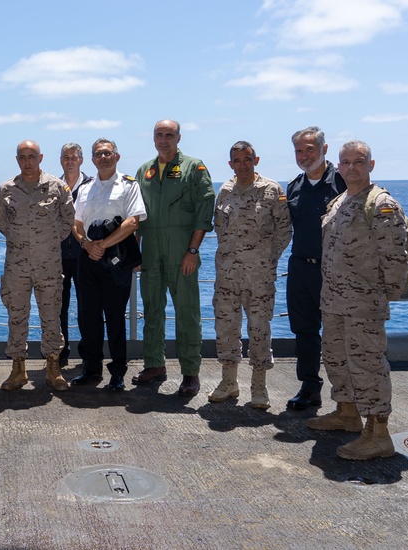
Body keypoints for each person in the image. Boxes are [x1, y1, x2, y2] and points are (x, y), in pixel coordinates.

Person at [308, 140, 408, 460]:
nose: (352, 167)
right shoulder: (339, 202)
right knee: (336, 359)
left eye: (359, 161)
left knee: (367, 365)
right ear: (338, 166)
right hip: (334, 300)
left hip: (363, 303)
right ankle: (347, 413)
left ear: (371, 165)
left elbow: (396, 258)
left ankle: (378, 433)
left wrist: (382, 296)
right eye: (346, 162)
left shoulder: (380, 204)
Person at [133, 119, 215, 397]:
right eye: (159, 134)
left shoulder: (194, 168)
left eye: (169, 135)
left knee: (187, 313)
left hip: (182, 253)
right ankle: (154, 364)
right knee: (152, 310)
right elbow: (137, 216)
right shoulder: (145, 171)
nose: (164, 140)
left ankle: (190, 373)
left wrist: (192, 251)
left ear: (178, 137)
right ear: (153, 137)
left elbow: (204, 211)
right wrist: (137, 252)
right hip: (152, 253)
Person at [208, 141, 292, 408]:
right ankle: (229, 382)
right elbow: (220, 229)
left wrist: (268, 259)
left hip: (259, 276)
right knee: (226, 328)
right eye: (237, 160)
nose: (242, 165)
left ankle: (259, 387)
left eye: (247, 159)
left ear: (256, 160)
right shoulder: (225, 190)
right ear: (230, 163)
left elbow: (284, 230)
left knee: (259, 329)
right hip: (227, 275)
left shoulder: (271, 190)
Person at [0, 140, 75, 392]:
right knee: (16, 316)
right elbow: (0, 221)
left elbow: (67, 221)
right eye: (22, 157)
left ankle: (53, 368)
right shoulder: (7, 189)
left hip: (48, 264)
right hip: (17, 266)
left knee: (51, 316)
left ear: (40, 157)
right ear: (17, 159)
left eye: (31, 156)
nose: (27, 161)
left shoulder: (58, 187)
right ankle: (18, 369)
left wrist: (45, 242)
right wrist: (23, 242)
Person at [68, 138, 146, 391]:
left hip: (117, 258)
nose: (103, 157)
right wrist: (87, 245)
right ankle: (91, 369)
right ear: (92, 160)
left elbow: (133, 222)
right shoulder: (86, 187)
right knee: (88, 316)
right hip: (88, 256)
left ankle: (118, 373)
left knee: (114, 318)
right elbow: (76, 224)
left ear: (117, 156)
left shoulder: (128, 186)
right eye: (98, 154)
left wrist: (103, 244)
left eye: (107, 153)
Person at [285, 126, 346, 410]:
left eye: (310, 149)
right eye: (299, 150)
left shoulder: (343, 183)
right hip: (300, 268)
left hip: (334, 271)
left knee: (338, 333)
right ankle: (309, 387)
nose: (304, 155)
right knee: (305, 331)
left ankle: (346, 397)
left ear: (324, 148)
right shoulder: (294, 186)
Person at [58, 143, 93, 368]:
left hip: (85, 255)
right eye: (66, 157)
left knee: (87, 306)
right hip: (58, 255)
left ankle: (88, 353)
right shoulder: (53, 186)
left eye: (74, 157)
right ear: (61, 160)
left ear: (81, 160)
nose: (70, 160)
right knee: (58, 306)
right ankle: (60, 353)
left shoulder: (93, 185)